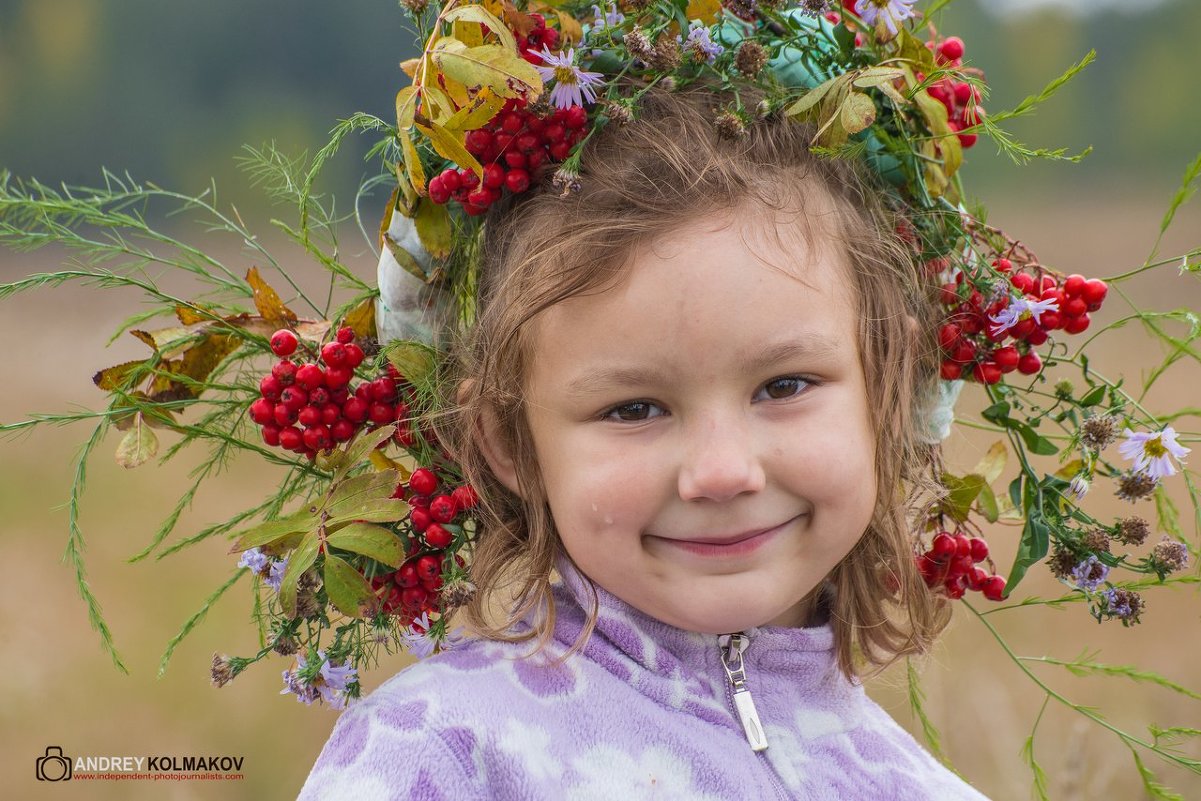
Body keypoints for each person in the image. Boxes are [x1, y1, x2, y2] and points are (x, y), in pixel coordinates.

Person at [296, 85, 990, 800]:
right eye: (633, 408)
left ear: (892, 384)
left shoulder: (916, 787)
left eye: (783, 387)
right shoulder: (439, 755)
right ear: (510, 441)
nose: (722, 472)